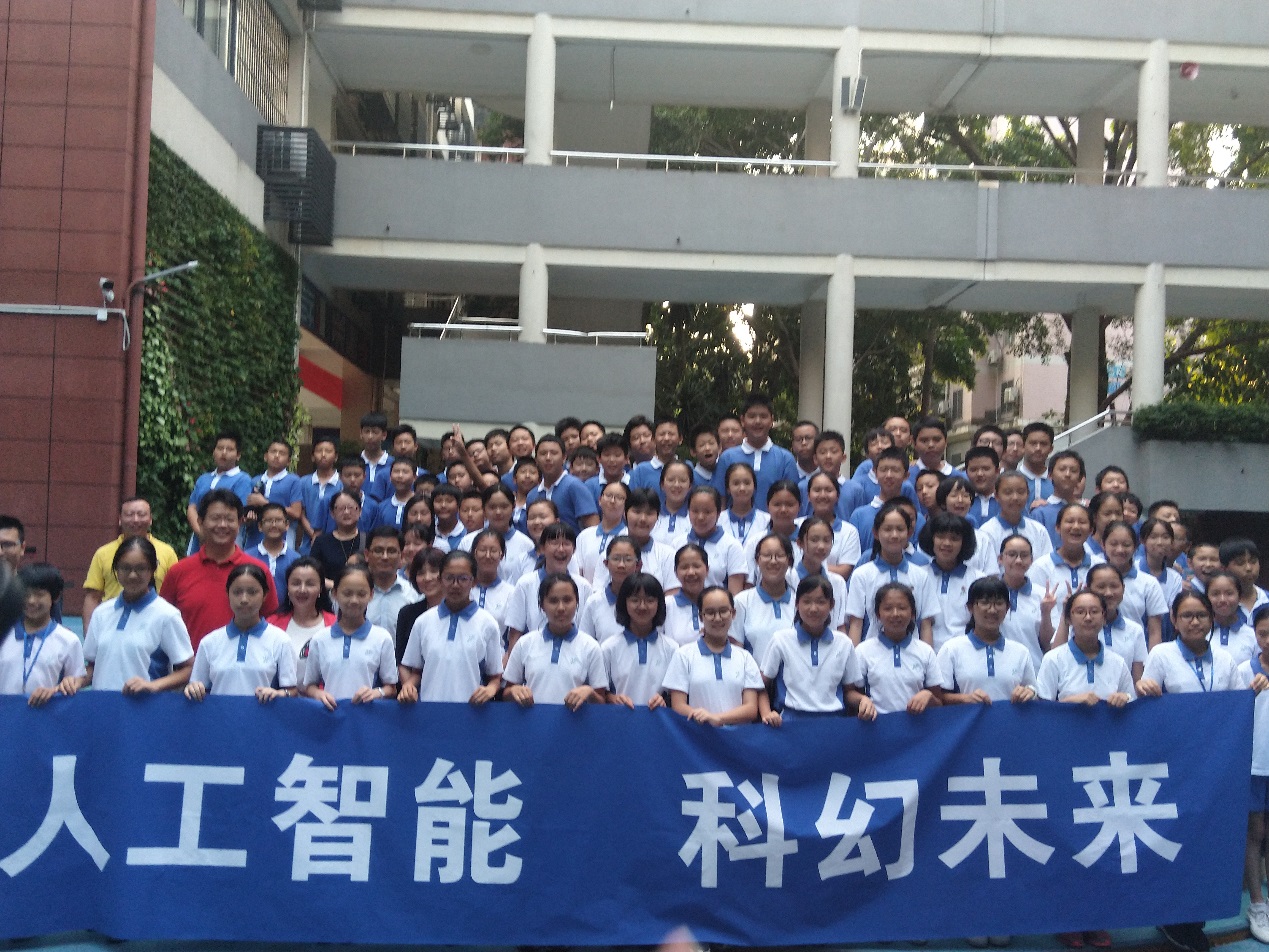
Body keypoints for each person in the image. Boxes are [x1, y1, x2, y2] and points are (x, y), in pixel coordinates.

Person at [1136, 589, 1240, 952]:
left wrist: (1255, 690)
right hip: (1174, 763)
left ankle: (1195, 916)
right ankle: (1173, 916)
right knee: (1174, 837)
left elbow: (1236, 708)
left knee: (1205, 839)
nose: (1194, 622)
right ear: (1174, 620)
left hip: (1216, 765)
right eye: (1186, 616)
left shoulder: (1225, 658)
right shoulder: (1161, 655)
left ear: (1211, 619)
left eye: (1201, 615)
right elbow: (1145, 703)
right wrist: (1144, 688)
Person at [64, 537, 194, 695]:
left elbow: (188, 668)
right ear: (116, 570)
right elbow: (93, 666)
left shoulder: (167, 615)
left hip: (145, 707)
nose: (132, 575)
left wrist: (153, 685)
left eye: (141, 568)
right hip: (102, 706)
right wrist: (77, 681)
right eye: (125, 568)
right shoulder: (101, 613)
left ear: (153, 569)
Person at [160, 488, 278, 651]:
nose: (222, 525)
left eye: (229, 519)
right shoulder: (179, 571)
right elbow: (163, 622)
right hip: (190, 664)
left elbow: (270, 620)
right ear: (200, 522)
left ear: (240, 522)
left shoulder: (258, 571)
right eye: (215, 518)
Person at [398, 551, 503, 705]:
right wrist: (408, 686)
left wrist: (490, 689)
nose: (455, 585)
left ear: (474, 582)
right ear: (440, 580)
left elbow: (494, 676)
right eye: (449, 578)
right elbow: (417, 671)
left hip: (471, 711)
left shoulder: (487, 624)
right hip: (430, 709)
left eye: (463, 579)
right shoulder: (423, 622)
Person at [759, 575, 866, 725]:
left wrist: (863, 700)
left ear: (832, 605)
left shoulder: (844, 643)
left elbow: (849, 692)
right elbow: (761, 685)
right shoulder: (781, 640)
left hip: (833, 723)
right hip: (791, 722)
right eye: (807, 601)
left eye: (821, 602)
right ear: (797, 604)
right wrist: (766, 713)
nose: (813, 608)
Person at [183, 562, 294, 702]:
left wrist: (280, 694)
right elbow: (198, 686)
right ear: (227, 594)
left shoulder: (281, 641)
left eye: (252, 592)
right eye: (237, 592)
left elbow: (292, 691)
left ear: (265, 595)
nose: (244, 599)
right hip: (220, 715)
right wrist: (193, 689)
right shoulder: (209, 642)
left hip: (263, 716)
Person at [502, 573, 606, 709]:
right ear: (542, 605)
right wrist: (514, 691)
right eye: (553, 601)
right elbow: (507, 693)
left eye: (567, 600)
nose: (561, 608)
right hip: (533, 721)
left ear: (577, 603)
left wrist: (589, 692)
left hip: (575, 721)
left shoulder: (590, 647)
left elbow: (601, 701)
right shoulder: (525, 643)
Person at [662, 586, 762, 725]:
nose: (717, 618)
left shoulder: (745, 658)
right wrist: (705, 718)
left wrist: (718, 718)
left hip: (736, 736)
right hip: (698, 734)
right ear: (700, 616)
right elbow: (678, 706)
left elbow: (751, 708)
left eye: (723, 611)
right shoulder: (684, 655)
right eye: (710, 613)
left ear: (733, 613)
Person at [302, 563, 398, 708]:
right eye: (347, 593)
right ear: (335, 594)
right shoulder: (320, 639)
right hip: (331, 714)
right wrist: (318, 694)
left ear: (371, 595)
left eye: (361, 594)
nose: (354, 600)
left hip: (366, 715)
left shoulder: (382, 638)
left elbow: (391, 688)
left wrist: (376, 693)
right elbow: (310, 685)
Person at [845, 501, 938, 645]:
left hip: (912, 653)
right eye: (887, 529)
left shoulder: (921, 576)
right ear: (876, 533)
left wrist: (927, 657)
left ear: (909, 532)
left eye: (900, 529)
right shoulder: (862, 575)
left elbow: (925, 625)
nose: (894, 535)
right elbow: (856, 624)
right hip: (872, 654)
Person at [938, 575, 1038, 706]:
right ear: (970, 607)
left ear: (1007, 608)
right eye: (985, 603)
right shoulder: (951, 649)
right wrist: (964, 698)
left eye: (999, 603)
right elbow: (938, 697)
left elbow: (1033, 692)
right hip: (969, 719)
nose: (992, 610)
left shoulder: (1021, 652)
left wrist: (1030, 692)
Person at [82, 496, 180, 628]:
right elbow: (93, 597)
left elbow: (176, 595)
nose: (135, 519)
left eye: (141, 514)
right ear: (120, 519)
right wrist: (89, 632)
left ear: (150, 519)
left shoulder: (167, 552)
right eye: (129, 515)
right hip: (112, 622)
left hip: (155, 624)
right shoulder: (103, 554)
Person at [852, 581, 945, 719]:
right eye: (888, 608)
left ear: (912, 613)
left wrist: (928, 696)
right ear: (878, 614)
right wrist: (862, 700)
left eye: (902, 608)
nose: (895, 614)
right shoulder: (863, 651)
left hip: (916, 726)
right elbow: (851, 694)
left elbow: (939, 703)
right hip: (876, 725)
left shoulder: (926, 652)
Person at [0, 564, 84, 705]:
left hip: (46, 715)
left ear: (55, 597)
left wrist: (57, 690)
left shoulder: (68, 641)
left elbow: (75, 683)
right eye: (25, 594)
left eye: (39, 594)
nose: (31, 601)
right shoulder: (4, 634)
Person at [504, 523, 592, 653]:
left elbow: (587, 634)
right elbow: (515, 633)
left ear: (574, 549)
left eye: (566, 544)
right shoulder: (525, 584)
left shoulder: (584, 586)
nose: (561, 549)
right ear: (543, 548)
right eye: (554, 543)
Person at [1036, 589, 1133, 708]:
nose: (1088, 618)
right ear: (1068, 619)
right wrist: (1069, 702)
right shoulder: (1053, 659)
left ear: (1104, 618)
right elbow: (1042, 709)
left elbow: (1133, 703)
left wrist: (1125, 698)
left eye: (1094, 611)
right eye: (1080, 612)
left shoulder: (1118, 663)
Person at [1236, 605, 1269, 944]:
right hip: (1255, 765)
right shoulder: (1243, 670)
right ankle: (1257, 904)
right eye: (1263, 633)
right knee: (1255, 831)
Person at [710, 393, 799, 511]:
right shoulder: (727, 458)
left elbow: (793, 500)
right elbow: (720, 500)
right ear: (742, 420)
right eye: (752, 416)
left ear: (771, 420)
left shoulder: (785, 459)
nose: (757, 421)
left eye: (763, 416)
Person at [603, 572, 675, 710]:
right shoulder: (608, 648)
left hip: (658, 720)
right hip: (620, 718)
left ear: (659, 603)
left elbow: (677, 694)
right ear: (624, 603)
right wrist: (613, 698)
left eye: (650, 600)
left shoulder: (672, 648)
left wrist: (664, 700)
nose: (642, 606)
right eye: (635, 600)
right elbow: (601, 693)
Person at [917, 513, 982, 651]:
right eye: (940, 537)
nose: (947, 543)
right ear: (931, 539)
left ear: (964, 543)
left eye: (954, 538)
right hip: (926, 651)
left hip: (966, 652)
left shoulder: (978, 579)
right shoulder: (918, 576)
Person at [267, 557, 335, 685]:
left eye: (310, 584)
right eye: (296, 583)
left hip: (324, 697)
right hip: (280, 696)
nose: (302, 589)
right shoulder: (272, 624)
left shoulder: (335, 625)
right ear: (287, 587)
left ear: (321, 589)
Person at [184, 430, 253, 554]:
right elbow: (192, 507)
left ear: (238, 455)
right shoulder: (203, 479)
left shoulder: (243, 479)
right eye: (220, 448)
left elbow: (239, 513)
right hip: (198, 539)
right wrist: (201, 533)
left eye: (229, 449)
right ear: (214, 452)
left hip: (228, 538)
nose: (224, 453)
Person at [1101, 521, 1167, 650]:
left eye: (1126, 545)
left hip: (1136, 653)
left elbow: (1155, 631)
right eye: (1114, 544)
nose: (1120, 550)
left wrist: (1150, 660)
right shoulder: (1092, 578)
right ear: (1103, 545)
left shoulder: (1149, 583)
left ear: (1136, 546)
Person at [732, 534, 796, 666]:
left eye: (779, 556)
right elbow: (736, 651)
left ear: (789, 561)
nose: (773, 561)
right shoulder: (742, 602)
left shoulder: (800, 602)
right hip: (754, 677)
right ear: (757, 560)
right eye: (767, 555)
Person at [578, 536, 644, 645]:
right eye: (616, 559)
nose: (621, 565)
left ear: (638, 565)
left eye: (628, 559)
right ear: (606, 563)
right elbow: (584, 644)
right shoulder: (594, 602)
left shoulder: (646, 603)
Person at [798, 471, 862, 581]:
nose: (823, 495)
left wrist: (809, 566)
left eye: (828, 490)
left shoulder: (849, 531)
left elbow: (844, 571)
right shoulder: (797, 526)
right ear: (808, 496)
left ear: (837, 496)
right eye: (817, 490)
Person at [528, 435, 599, 532]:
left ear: (564, 457)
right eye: (543, 453)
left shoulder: (575, 486)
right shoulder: (532, 495)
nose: (548, 458)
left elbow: (593, 528)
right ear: (536, 460)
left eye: (554, 453)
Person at [977, 471, 1053, 562]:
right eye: (1008, 493)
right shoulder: (986, 533)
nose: (1015, 498)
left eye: (1021, 492)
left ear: (1028, 494)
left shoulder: (1039, 531)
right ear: (996, 496)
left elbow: (1047, 566)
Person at [684, 485, 747, 593]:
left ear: (718, 513)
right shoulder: (678, 543)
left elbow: (735, 595)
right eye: (695, 511)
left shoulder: (732, 546)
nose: (700, 517)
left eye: (707, 512)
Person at [244, 439, 302, 550]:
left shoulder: (293, 481)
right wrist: (249, 517)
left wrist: (266, 503)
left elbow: (296, 512)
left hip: (283, 537)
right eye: (273, 452)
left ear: (289, 461)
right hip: (255, 537)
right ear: (266, 456)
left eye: (282, 453)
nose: (276, 456)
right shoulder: (255, 480)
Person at [394, 548, 446, 662]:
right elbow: (401, 660)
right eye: (421, 573)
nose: (427, 578)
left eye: (434, 571)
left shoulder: (458, 611)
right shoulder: (407, 614)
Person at [310, 489, 368, 585]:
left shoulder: (369, 541)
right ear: (332, 513)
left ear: (360, 511)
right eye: (341, 508)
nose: (346, 512)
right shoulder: (321, 542)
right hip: (330, 592)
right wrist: (336, 587)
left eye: (351, 508)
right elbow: (313, 574)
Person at [573, 481, 628, 582]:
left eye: (619, 498)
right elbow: (577, 571)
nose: (612, 501)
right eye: (608, 495)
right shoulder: (584, 536)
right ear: (600, 500)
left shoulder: (629, 537)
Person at [718, 463, 771, 562]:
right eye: (736, 483)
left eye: (747, 483)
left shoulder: (767, 521)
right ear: (728, 488)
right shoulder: (718, 521)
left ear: (754, 486)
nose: (742, 488)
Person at [1206, 570, 1258, 665]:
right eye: (1215, 594)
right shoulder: (1201, 634)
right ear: (1206, 597)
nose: (1222, 599)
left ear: (1239, 597)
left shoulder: (1253, 636)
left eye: (1229, 593)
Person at [299, 437, 342, 552]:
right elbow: (301, 513)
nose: (323, 455)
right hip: (308, 542)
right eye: (319, 451)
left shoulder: (342, 483)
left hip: (336, 540)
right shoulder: (303, 482)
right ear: (313, 457)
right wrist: (314, 535)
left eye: (328, 451)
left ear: (336, 457)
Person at [663, 543, 709, 647]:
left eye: (696, 566)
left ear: (707, 570)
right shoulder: (666, 605)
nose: (691, 572)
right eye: (684, 567)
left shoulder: (718, 604)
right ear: (675, 572)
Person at [251, 502, 299, 597]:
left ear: (287, 525)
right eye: (268, 520)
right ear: (260, 526)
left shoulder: (296, 559)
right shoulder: (248, 557)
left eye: (278, 520)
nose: (273, 525)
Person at [628, 416, 683, 497]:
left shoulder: (687, 468)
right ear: (653, 439)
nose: (666, 438)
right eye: (662, 434)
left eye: (671, 434)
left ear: (680, 439)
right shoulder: (641, 471)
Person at [652, 460, 694, 549]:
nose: (676, 485)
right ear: (662, 484)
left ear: (690, 486)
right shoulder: (652, 516)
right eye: (671, 480)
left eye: (682, 480)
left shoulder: (695, 518)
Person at [358, 411, 394, 503]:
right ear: (361, 434)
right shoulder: (354, 464)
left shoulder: (394, 465)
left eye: (375, 432)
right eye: (367, 431)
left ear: (384, 435)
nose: (370, 436)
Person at [962, 447, 1001, 528]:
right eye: (973, 470)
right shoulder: (960, 502)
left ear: (997, 471)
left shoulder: (1007, 500)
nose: (979, 474)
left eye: (986, 469)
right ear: (966, 472)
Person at [1018, 421, 1055, 507]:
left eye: (1043, 444)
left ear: (1051, 449)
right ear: (1023, 446)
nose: (1038, 448)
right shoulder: (1010, 479)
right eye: (1033, 443)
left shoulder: (1057, 481)